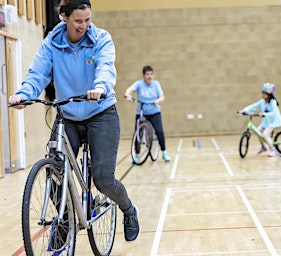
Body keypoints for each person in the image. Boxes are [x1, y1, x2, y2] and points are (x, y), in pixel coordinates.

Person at [8, 0, 140, 242]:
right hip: (67, 115)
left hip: (101, 114)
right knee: (54, 173)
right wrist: (24, 94)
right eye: (78, 21)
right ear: (64, 17)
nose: (84, 26)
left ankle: (129, 210)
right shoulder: (52, 43)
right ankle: (65, 220)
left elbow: (106, 67)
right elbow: (38, 73)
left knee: (103, 180)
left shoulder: (100, 38)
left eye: (88, 19)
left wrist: (100, 86)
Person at [124, 65, 171, 162]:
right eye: (147, 74)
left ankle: (164, 152)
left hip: (154, 112)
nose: (149, 76)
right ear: (143, 75)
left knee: (159, 131)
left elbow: (162, 97)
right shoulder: (139, 84)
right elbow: (130, 89)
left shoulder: (156, 84)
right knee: (138, 134)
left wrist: (158, 101)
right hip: (142, 112)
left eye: (151, 74)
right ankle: (137, 155)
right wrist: (127, 94)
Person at [239, 83, 281, 157]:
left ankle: (273, 149)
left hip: (274, 121)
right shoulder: (262, 102)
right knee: (258, 131)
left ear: (269, 95)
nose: (262, 95)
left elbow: (274, 113)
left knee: (265, 134)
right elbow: (254, 106)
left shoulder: (273, 102)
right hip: (266, 121)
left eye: (264, 93)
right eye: (262, 93)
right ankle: (263, 147)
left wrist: (264, 114)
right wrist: (244, 110)